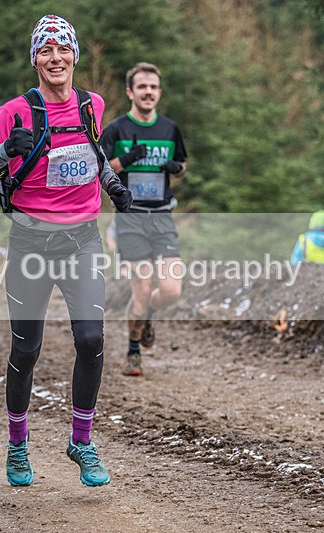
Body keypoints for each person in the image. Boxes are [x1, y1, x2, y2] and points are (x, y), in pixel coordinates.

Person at [0, 14, 132, 487]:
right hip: (31, 243)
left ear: (74, 56)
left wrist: (113, 186)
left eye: (63, 49)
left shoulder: (91, 104)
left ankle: (82, 442)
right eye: (45, 50)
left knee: (92, 340)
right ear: (34, 58)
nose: (55, 58)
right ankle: (18, 446)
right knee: (26, 348)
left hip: (82, 240)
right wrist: (0, 153)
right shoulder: (13, 112)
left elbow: (90, 153)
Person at [99, 62, 187, 377]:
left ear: (159, 92)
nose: (148, 92)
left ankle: (145, 313)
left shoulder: (170, 129)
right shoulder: (117, 129)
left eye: (153, 87)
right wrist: (126, 160)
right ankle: (133, 351)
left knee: (172, 290)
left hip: (162, 217)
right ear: (130, 92)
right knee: (142, 285)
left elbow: (182, 165)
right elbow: (101, 169)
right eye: (142, 87)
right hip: (131, 218)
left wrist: (174, 168)